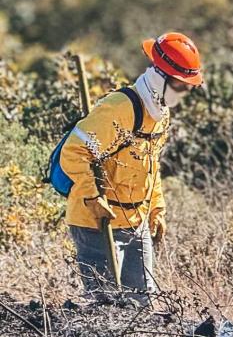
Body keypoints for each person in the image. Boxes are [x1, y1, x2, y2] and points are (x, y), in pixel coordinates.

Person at [60, 32, 203, 305]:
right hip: (97, 223)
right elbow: (74, 152)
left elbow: (152, 164)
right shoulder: (119, 108)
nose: (184, 92)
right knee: (107, 310)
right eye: (180, 85)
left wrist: (157, 210)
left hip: (136, 222)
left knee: (142, 308)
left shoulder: (161, 114)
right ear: (160, 76)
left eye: (188, 87)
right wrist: (92, 197)